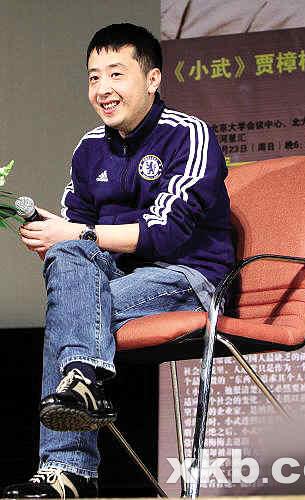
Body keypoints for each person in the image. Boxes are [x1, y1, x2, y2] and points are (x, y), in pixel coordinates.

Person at [4, 23, 235, 499]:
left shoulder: (189, 135)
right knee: (68, 253)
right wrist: (52, 235)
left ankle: (69, 470)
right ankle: (82, 385)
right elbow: (77, 240)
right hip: (118, 277)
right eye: (93, 77)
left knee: (69, 308)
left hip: (187, 277)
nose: (102, 89)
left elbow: (167, 234)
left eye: (116, 74)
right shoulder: (89, 148)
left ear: (152, 79)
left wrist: (77, 234)